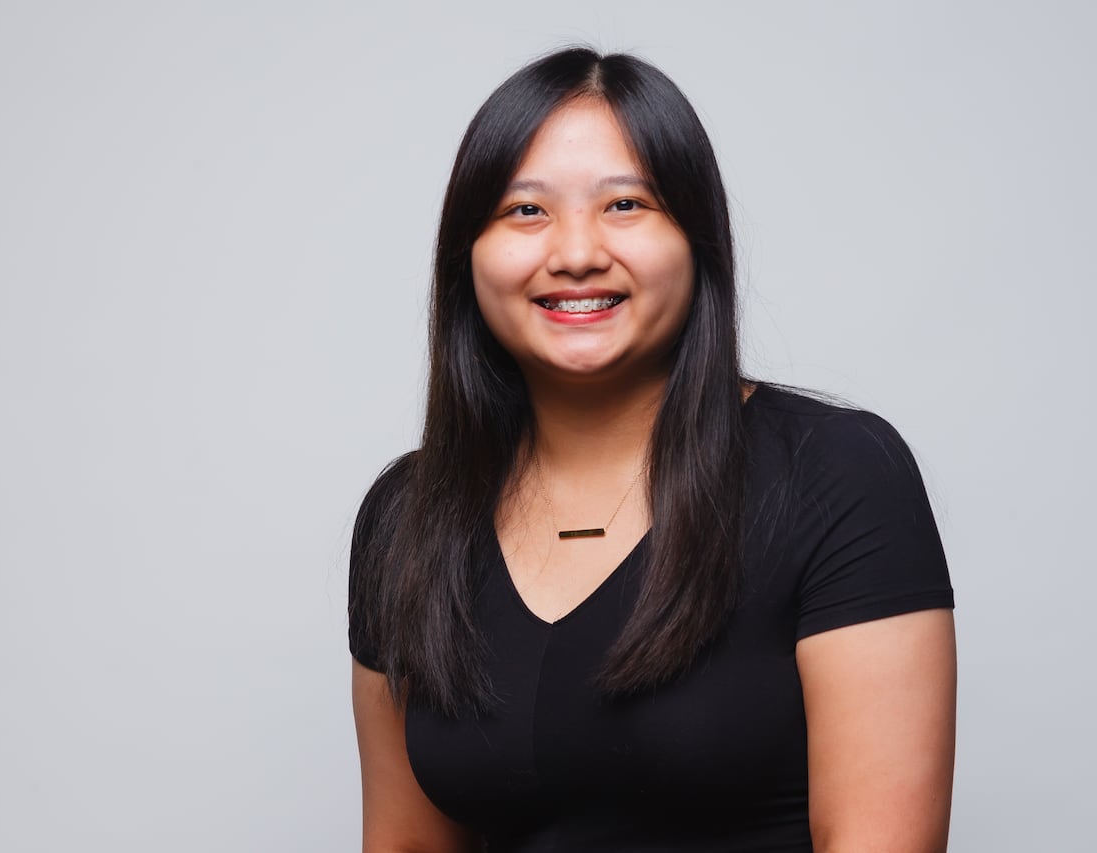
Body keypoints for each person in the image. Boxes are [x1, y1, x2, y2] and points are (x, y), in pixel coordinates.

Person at [348, 46, 955, 853]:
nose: (574, 252)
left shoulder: (837, 477)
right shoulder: (406, 520)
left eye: (626, 204)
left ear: (696, 237)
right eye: (525, 211)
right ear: (469, 254)